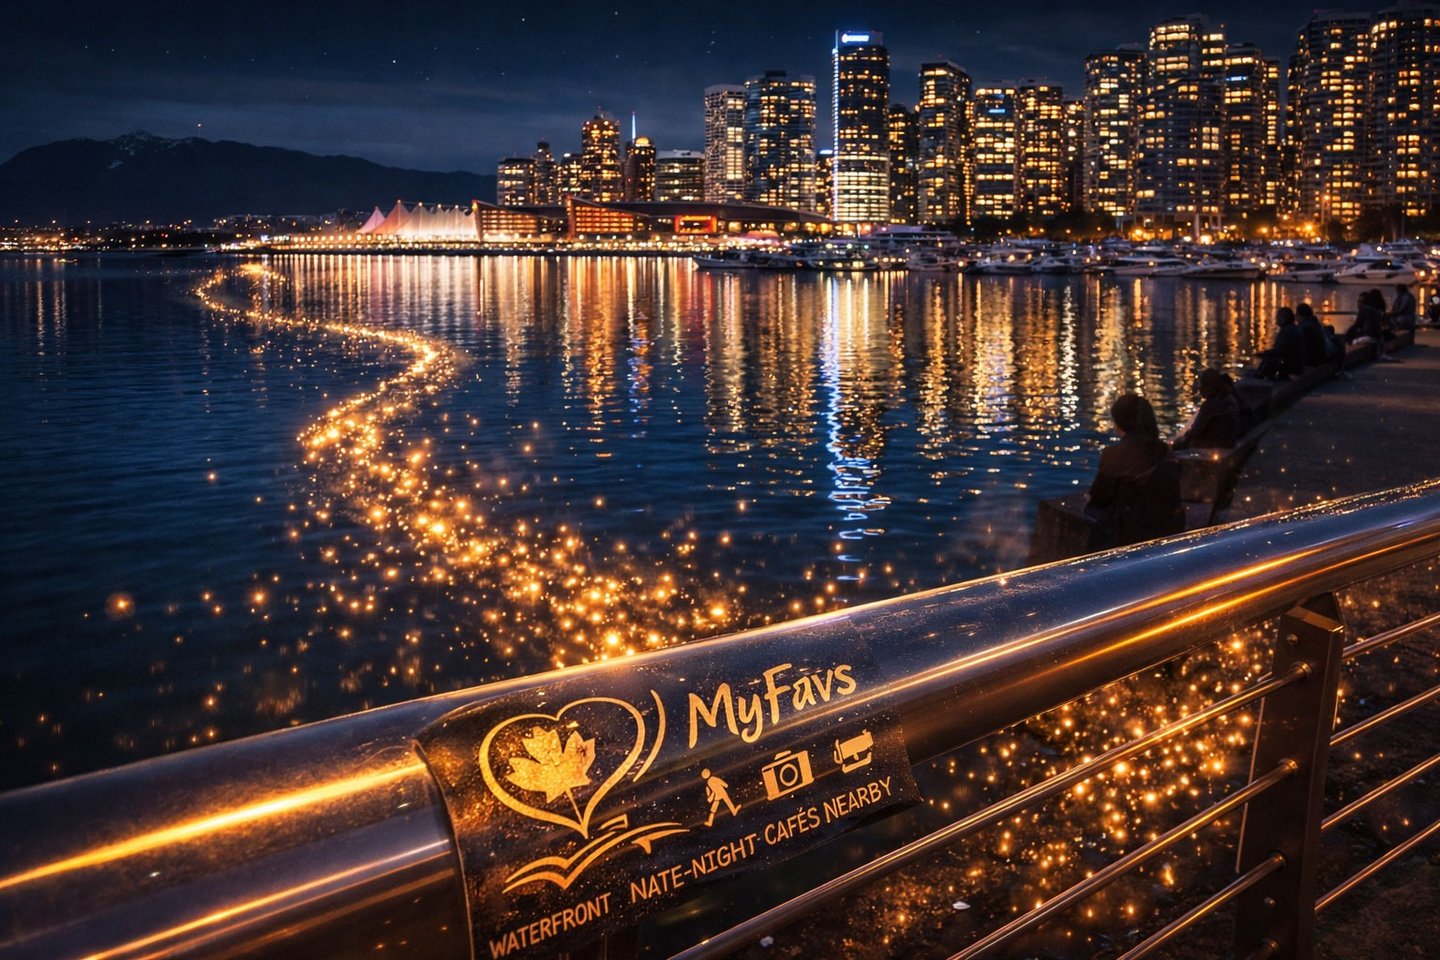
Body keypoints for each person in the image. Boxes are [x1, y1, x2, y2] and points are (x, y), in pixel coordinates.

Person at [1086, 394, 1185, 549]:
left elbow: (1099, 497)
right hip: (1167, 528)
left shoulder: (1113, 454)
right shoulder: (1165, 451)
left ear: (1118, 424)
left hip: (1130, 533)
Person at [1174, 369, 1242, 450]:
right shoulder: (1229, 398)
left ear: (1211, 386)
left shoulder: (1212, 405)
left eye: (1203, 384)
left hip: (1215, 444)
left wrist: (1180, 441)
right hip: (1229, 441)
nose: (1200, 388)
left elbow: (1196, 430)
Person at [1254, 306, 1304, 380]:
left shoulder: (1287, 331)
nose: (1276, 319)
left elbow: (1280, 351)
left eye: (1277, 317)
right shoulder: (1292, 329)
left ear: (1283, 318)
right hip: (1296, 363)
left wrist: (1264, 354)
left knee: (1270, 358)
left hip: (1291, 365)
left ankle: (1261, 376)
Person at [1295, 302, 1332, 367]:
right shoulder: (1315, 324)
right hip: (1320, 358)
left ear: (1299, 315)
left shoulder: (1304, 328)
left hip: (1312, 361)